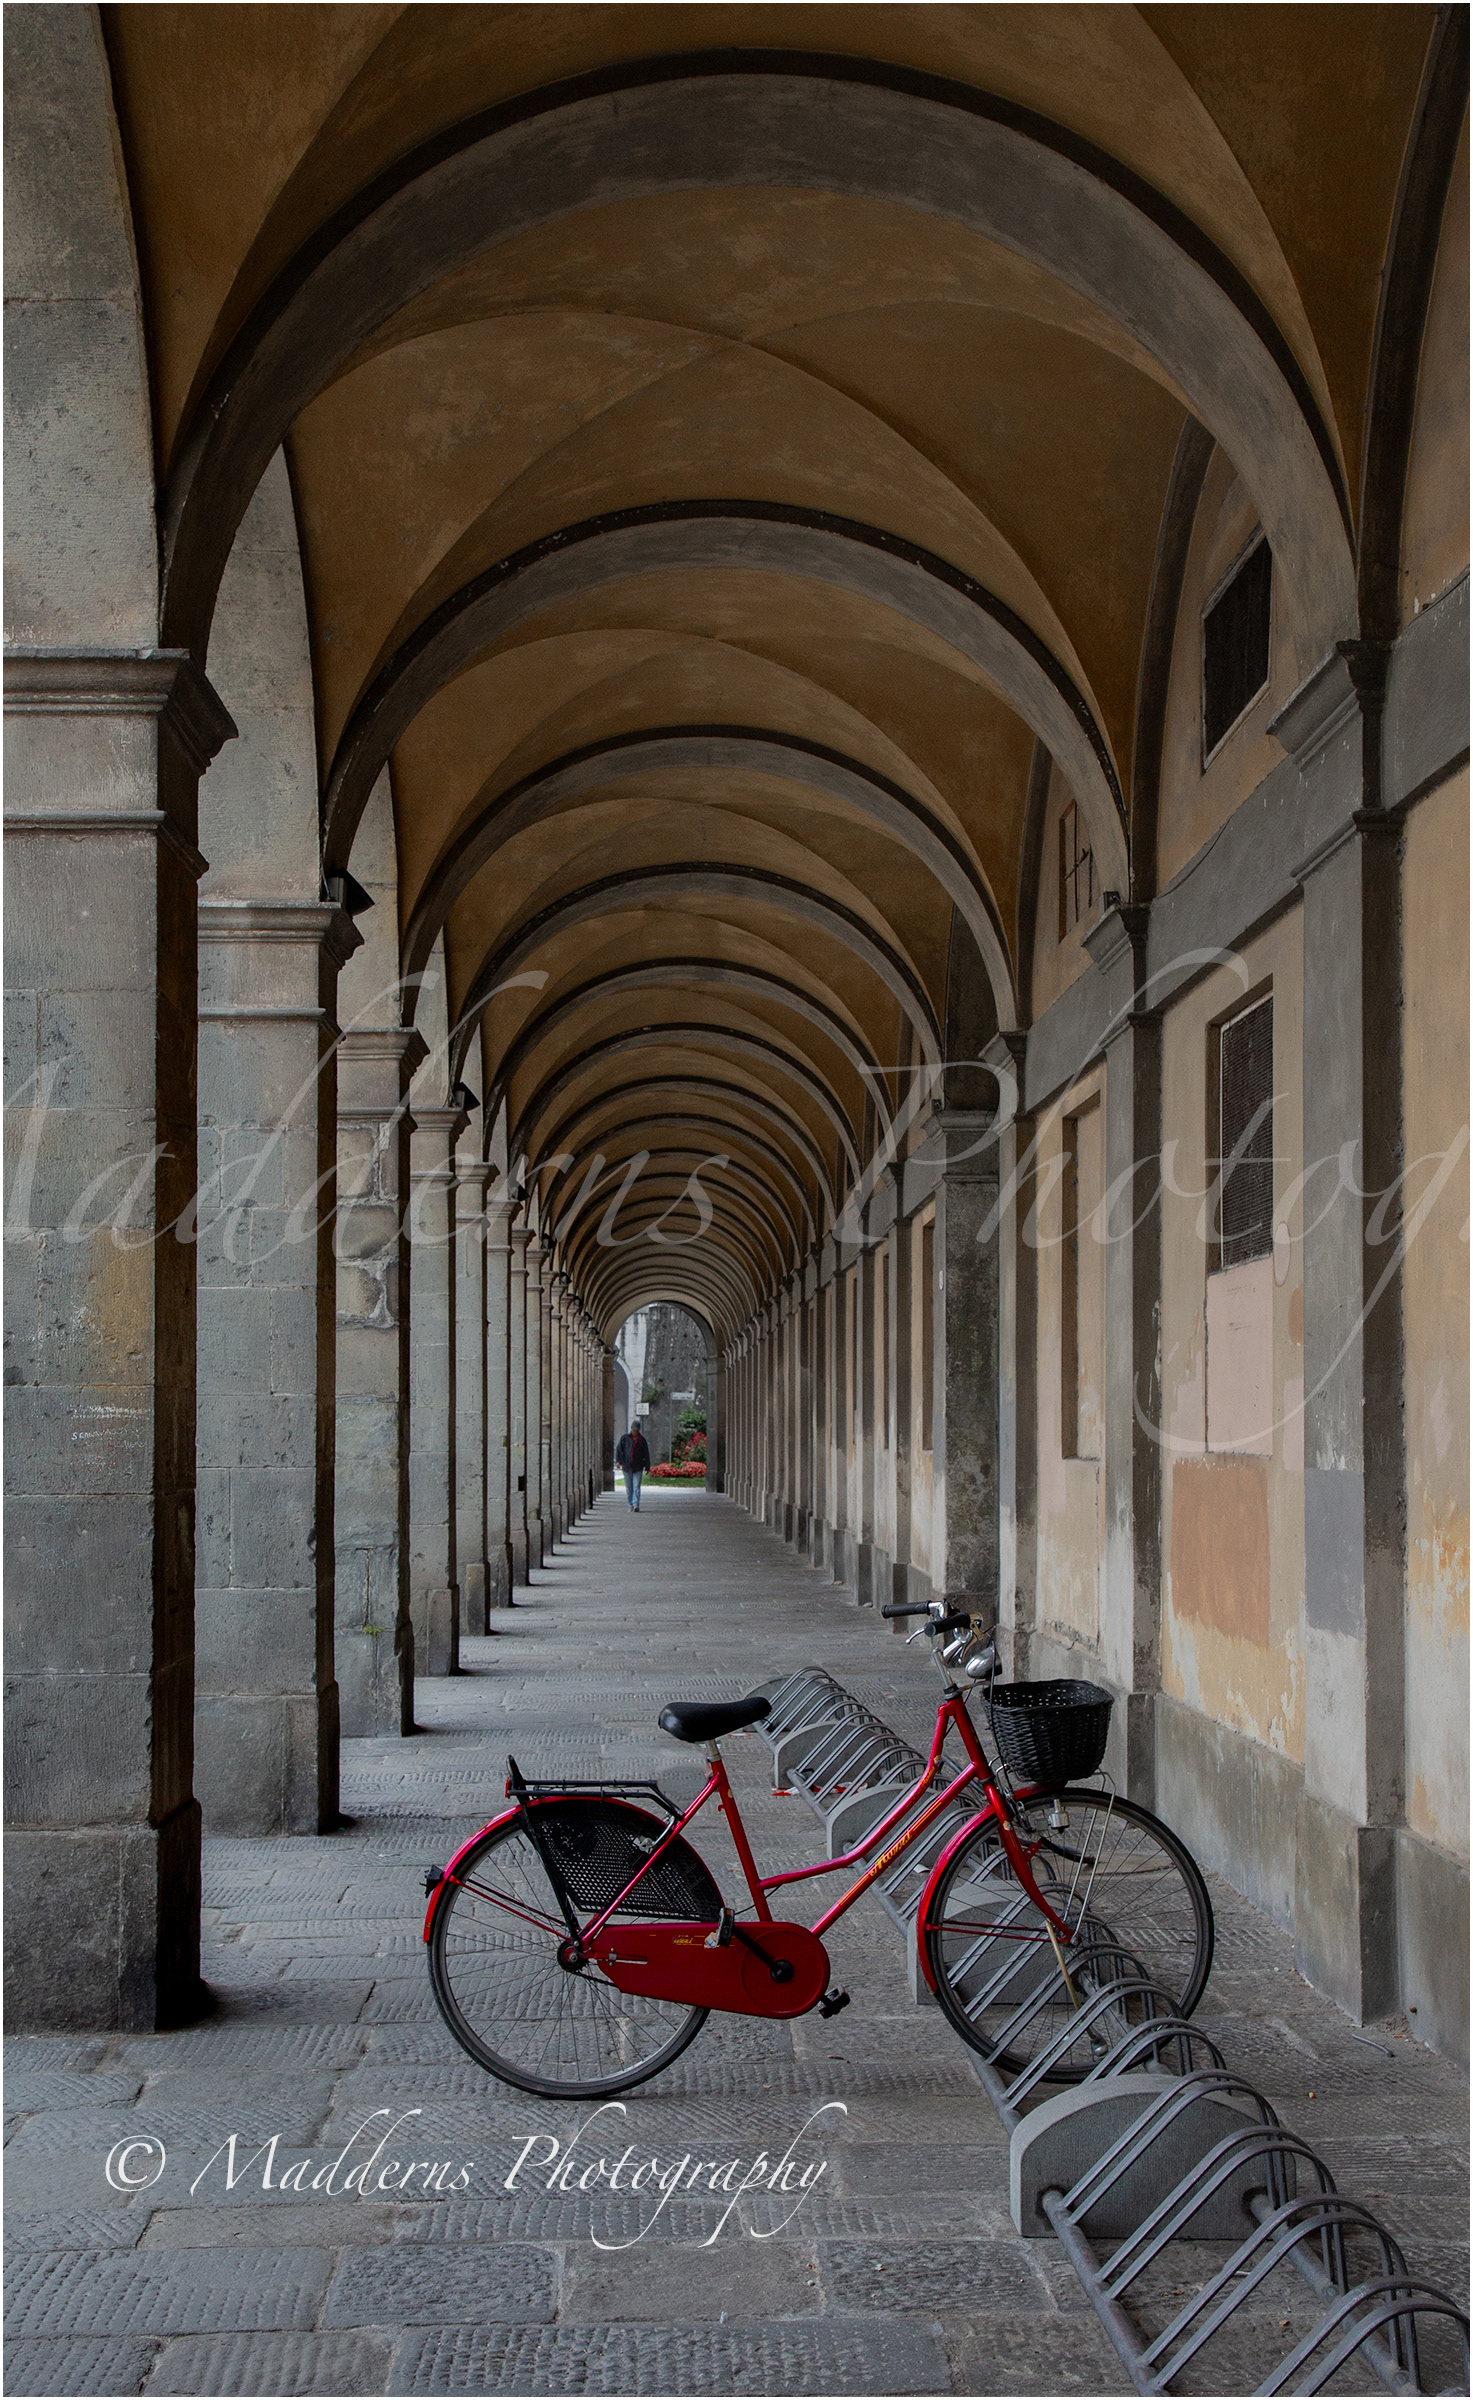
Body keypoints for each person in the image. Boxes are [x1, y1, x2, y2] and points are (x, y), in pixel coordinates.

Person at [614, 1422, 651, 1510]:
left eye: (636, 1431)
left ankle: (636, 1504)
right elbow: (619, 1450)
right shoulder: (625, 1438)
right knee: (629, 1488)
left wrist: (647, 1466)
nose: (635, 1432)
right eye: (634, 1430)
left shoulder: (642, 1440)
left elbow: (646, 1453)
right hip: (627, 1466)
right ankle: (630, 1503)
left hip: (638, 1466)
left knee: (636, 1487)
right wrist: (618, 1461)